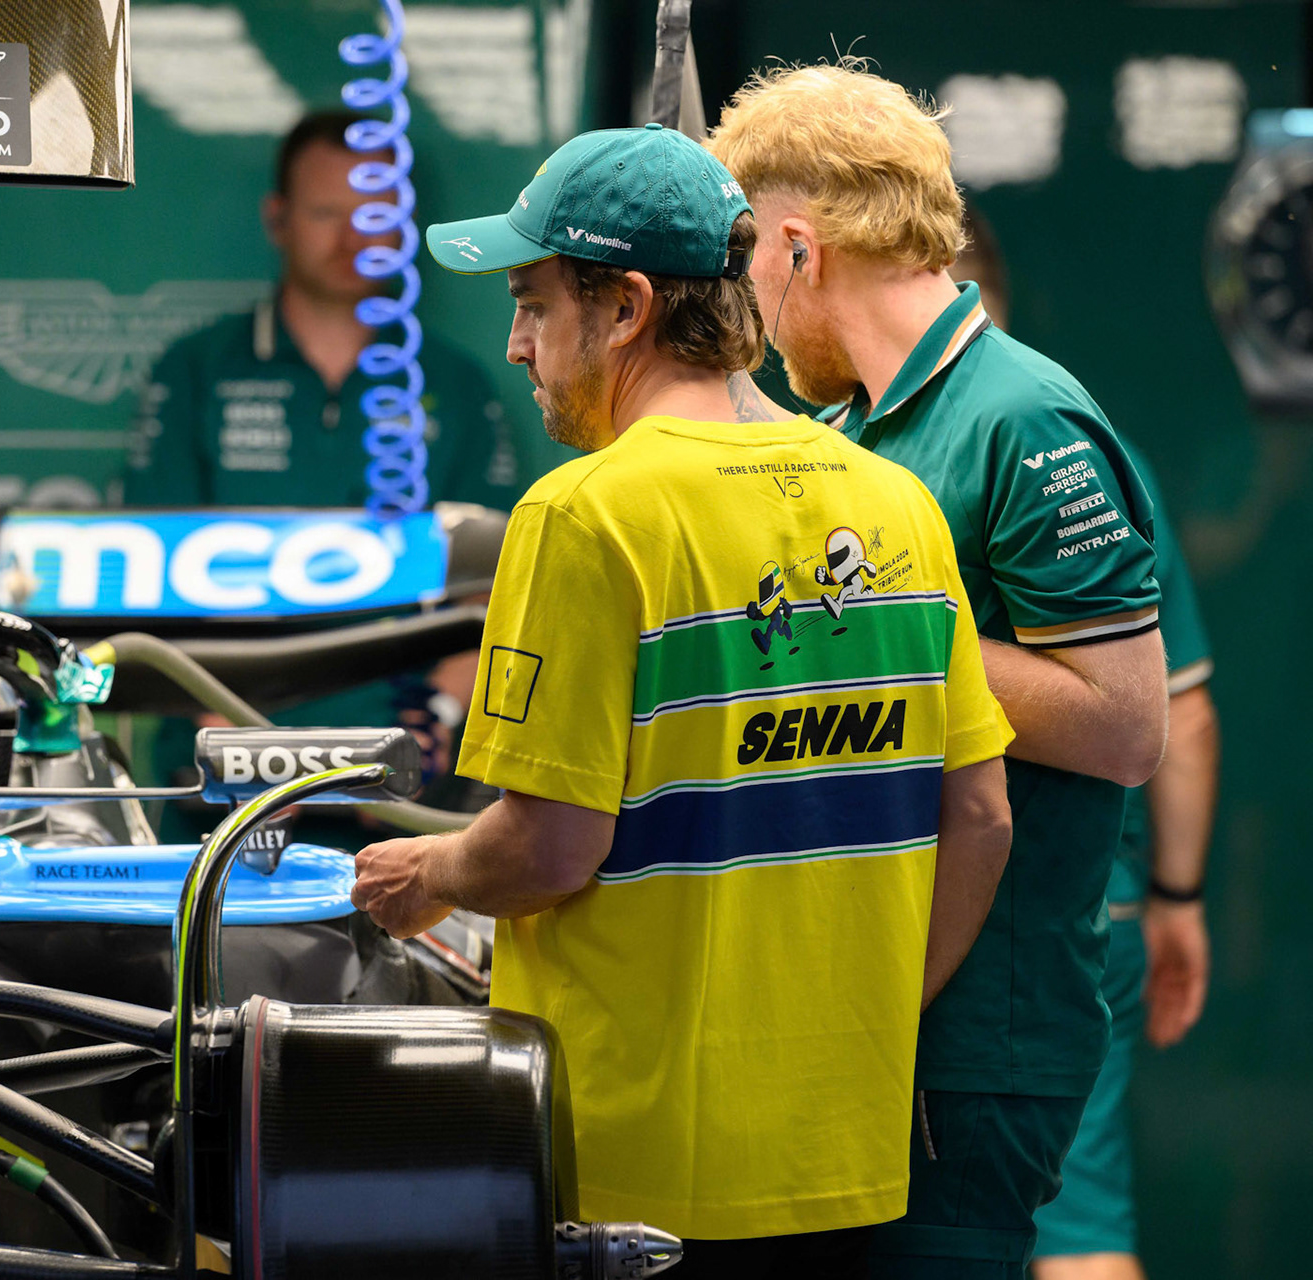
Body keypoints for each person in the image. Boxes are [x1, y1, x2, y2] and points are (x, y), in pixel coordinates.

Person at [351, 123, 1015, 1279]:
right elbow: (982, 816)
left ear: (628, 309)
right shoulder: (896, 502)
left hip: (635, 1183)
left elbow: (551, 847)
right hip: (846, 1156)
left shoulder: (584, 514)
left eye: (533, 304)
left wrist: (431, 874)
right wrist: (856, 1022)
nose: (515, 344)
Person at [710, 63, 1171, 1279]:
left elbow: (1130, 729)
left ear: (798, 248)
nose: (744, 307)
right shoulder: (848, 428)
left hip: (977, 1037)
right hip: (865, 1010)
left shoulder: (1025, 418)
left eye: (746, 264)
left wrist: (899, 631)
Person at [948, 208, 1222, 1280]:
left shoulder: (846, 458)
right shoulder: (1092, 442)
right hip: (1079, 902)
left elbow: (1152, 716)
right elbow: (1185, 716)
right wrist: (1177, 894)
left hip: (918, 901)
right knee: (1077, 1219)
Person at [122, 108, 521, 509]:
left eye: (374, 216)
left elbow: (487, 559)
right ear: (277, 220)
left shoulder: (458, 384)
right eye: (326, 213)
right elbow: (153, 541)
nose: (352, 239)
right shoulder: (194, 369)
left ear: (406, 223)